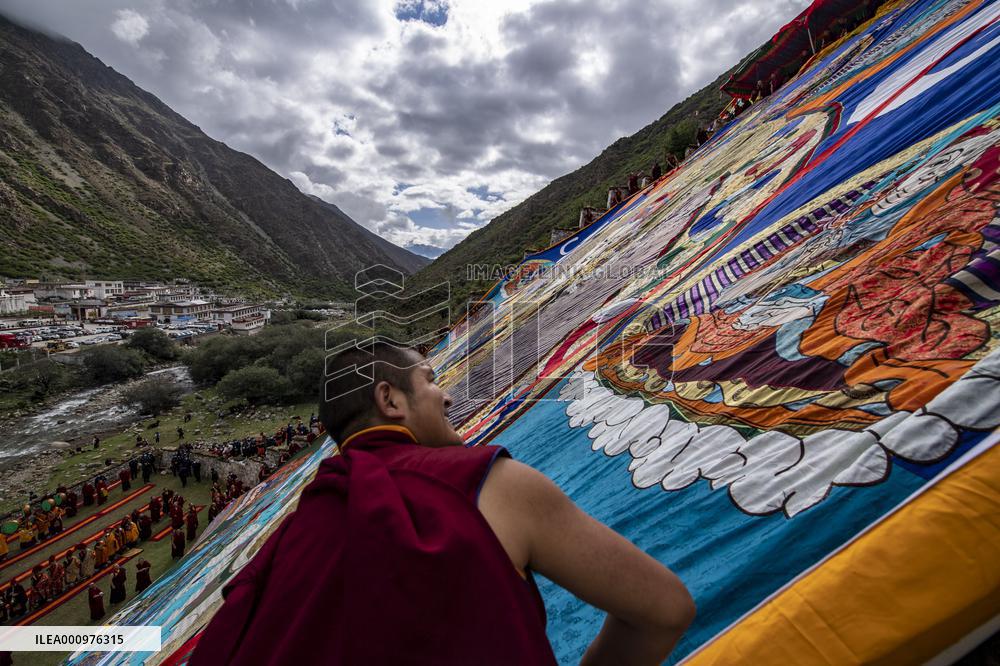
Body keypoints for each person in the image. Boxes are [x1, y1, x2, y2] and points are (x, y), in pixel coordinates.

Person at [190, 342, 694, 665]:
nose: (446, 398)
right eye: (431, 381)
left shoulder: (291, 535)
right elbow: (665, 609)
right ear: (391, 401)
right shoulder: (490, 485)